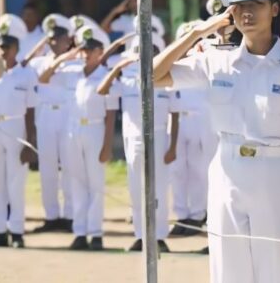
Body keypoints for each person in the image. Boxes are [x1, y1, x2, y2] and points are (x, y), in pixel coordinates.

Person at [153, 0, 280, 283]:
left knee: (274, 275)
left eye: (255, 4)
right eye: (238, 6)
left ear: (274, 8)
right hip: (227, 172)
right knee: (227, 274)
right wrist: (198, 33)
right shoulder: (217, 59)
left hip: (275, 176)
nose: (246, 13)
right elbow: (151, 76)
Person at [99, 32, 178, 252]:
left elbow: (176, 113)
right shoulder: (126, 77)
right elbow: (102, 90)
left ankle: (159, 237)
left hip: (160, 136)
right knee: (136, 187)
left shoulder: (167, 77)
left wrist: (173, 146)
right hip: (133, 136)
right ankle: (141, 235)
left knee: (160, 188)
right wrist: (117, 68)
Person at [49, 23, 116, 251]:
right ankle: (80, 232)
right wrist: (68, 55)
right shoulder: (72, 74)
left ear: (100, 52)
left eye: (91, 50)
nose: (86, 54)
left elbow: (111, 113)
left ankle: (95, 233)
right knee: (76, 182)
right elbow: (44, 76)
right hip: (73, 130)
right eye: (83, 49)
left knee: (95, 183)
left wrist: (107, 145)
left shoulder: (106, 76)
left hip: (95, 130)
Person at [0, 14, 39, 248]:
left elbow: (31, 111)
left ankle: (16, 231)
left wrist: (30, 142)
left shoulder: (26, 74)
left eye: (8, 46)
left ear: (16, 47)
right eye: (1, 46)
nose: (4, 51)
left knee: (15, 182)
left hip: (16, 127)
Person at [29, 13, 78, 233]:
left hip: (67, 117)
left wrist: (66, 57)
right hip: (46, 117)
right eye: (51, 39)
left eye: (60, 39)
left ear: (68, 40)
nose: (55, 43)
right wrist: (57, 58)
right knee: (47, 168)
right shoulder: (41, 62)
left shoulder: (77, 62)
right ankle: (51, 216)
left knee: (68, 167)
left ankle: (69, 215)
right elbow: (40, 76)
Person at [169, 22, 212, 237]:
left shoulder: (202, 64)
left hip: (200, 121)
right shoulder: (175, 66)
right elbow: (173, 108)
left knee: (198, 171)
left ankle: (196, 215)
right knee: (178, 171)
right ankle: (181, 214)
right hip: (179, 123)